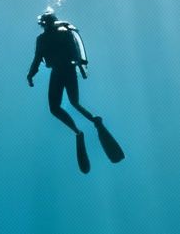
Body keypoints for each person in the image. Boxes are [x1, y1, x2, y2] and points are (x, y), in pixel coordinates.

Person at [28, 11, 122, 173]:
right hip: (66, 71)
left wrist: (31, 74)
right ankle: (91, 123)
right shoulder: (56, 35)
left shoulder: (47, 37)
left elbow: (40, 58)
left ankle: (81, 131)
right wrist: (31, 74)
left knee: (61, 106)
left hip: (61, 71)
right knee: (71, 103)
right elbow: (42, 58)